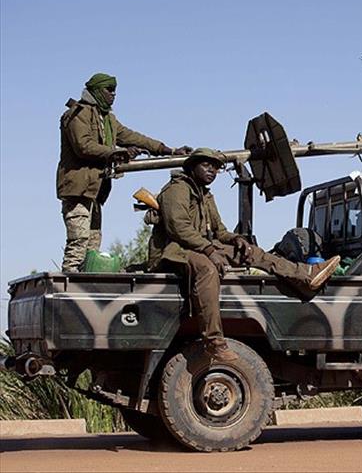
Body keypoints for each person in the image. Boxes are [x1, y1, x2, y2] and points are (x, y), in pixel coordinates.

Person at [147, 148, 341, 362]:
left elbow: (219, 231)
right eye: (206, 165)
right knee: (207, 269)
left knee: (251, 252)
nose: (212, 171)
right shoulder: (177, 189)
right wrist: (210, 251)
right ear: (192, 167)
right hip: (174, 250)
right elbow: (178, 228)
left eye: (216, 168)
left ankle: (306, 276)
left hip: (198, 246)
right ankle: (213, 342)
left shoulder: (205, 195)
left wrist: (236, 239)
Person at [57, 72, 189, 272]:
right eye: (109, 90)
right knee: (79, 241)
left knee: (93, 243)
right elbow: (83, 146)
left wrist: (167, 150)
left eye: (115, 90)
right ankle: (68, 281)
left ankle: (85, 280)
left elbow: (132, 137)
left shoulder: (107, 118)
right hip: (78, 189)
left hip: (95, 191)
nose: (113, 94)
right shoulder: (78, 114)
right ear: (96, 91)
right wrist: (116, 152)